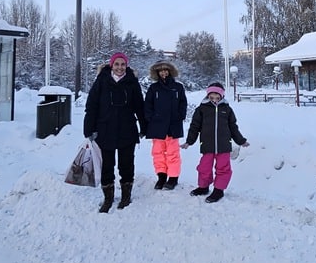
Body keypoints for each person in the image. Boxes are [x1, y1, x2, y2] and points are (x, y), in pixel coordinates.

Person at [83, 52, 147, 212]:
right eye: (117, 64)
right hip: (105, 129)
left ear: (126, 66)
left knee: (126, 165)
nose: (120, 67)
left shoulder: (132, 82)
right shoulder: (101, 81)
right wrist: (89, 128)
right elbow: (92, 105)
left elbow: (140, 105)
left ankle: (126, 196)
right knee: (107, 165)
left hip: (127, 129)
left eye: (123, 64)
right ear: (112, 65)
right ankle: (108, 198)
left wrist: (144, 126)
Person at [181, 82, 249, 203]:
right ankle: (203, 187)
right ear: (208, 96)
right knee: (204, 167)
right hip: (207, 145)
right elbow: (194, 126)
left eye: (217, 98)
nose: (215, 100)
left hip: (224, 145)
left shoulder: (227, 109)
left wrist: (241, 141)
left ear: (222, 97)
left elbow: (233, 127)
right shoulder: (202, 109)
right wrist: (189, 141)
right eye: (212, 97)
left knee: (223, 168)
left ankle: (219, 190)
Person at [143, 60, 187, 190]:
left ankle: (173, 178)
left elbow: (183, 103)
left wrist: (180, 115)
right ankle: (161, 176)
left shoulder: (178, 87)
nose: (163, 73)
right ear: (157, 72)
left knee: (173, 153)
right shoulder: (153, 88)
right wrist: (150, 117)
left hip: (173, 125)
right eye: (161, 70)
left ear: (170, 71)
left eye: (166, 70)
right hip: (157, 126)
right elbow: (148, 105)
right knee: (158, 152)